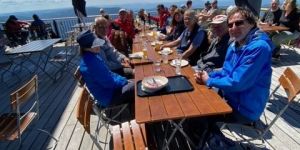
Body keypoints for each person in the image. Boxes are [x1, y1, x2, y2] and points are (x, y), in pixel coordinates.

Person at [195, 6, 273, 125]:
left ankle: (215, 140)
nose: (233, 27)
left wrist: (209, 81)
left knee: (199, 113)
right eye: (230, 25)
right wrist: (208, 75)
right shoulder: (235, 45)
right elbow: (226, 71)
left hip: (244, 109)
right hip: (230, 96)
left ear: (252, 23)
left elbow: (237, 82)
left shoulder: (259, 48)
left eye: (239, 23)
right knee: (196, 99)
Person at [77, 30, 134, 108]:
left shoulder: (91, 56)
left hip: (108, 91)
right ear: (87, 47)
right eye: (95, 45)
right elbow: (109, 83)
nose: (98, 46)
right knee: (138, 87)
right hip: (108, 96)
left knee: (137, 83)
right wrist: (124, 81)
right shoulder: (91, 63)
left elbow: (109, 73)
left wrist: (122, 79)